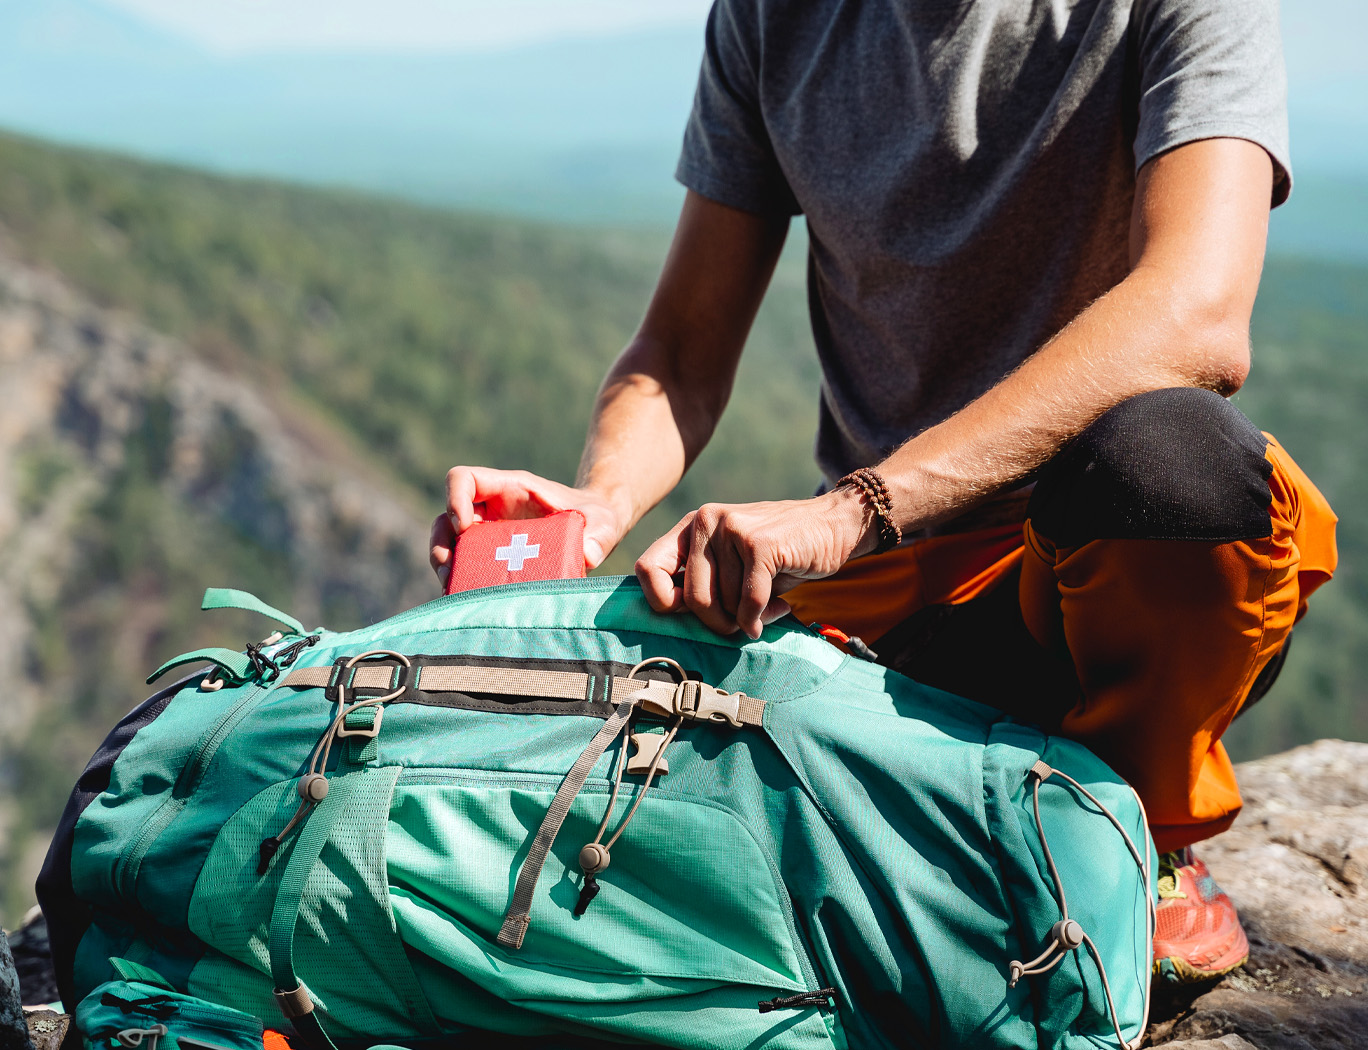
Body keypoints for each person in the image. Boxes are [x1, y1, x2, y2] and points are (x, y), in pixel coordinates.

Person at [430, 0, 1337, 984]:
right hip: (893, 614)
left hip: (1104, 579)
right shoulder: (774, 20)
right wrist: (599, 503)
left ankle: (1138, 828)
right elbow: (680, 351)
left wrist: (855, 507)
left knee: (1174, 465)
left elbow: (1195, 317)